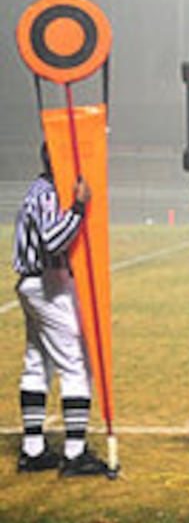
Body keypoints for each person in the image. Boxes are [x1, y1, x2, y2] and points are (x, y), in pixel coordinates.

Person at [12, 143, 113, 477]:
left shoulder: (39, 190)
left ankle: (33, 450)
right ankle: (74, 453)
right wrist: (79, 209)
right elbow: (54, 240)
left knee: (38, 362)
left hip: (37, 283)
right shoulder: (47, 194)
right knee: (76, 363)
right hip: (47, 283)